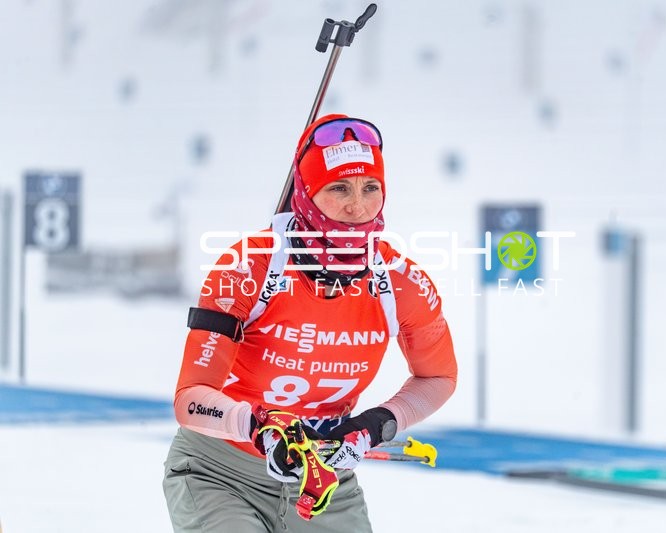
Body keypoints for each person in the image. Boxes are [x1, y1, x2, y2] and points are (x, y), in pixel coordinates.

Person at [162, 114, 458, 532]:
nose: (357, 207)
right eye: (339, 188)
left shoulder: (400, 281)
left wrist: (375, 425)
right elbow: (190, 400)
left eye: (370, 188)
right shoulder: (250, 267)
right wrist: (259, 426)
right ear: (306, 195)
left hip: (322, 486)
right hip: (221, 473)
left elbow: (439, 377)